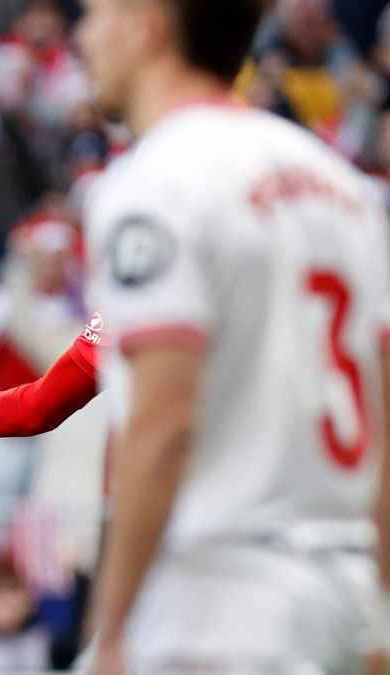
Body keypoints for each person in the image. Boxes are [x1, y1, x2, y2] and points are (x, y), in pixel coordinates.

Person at [79, 0, 390, 672]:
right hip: (343, 585)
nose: (84, 38)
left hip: (218, 599)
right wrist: (380, 612)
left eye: (95, 16)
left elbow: (164, 422)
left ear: (146, 25)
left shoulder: (154, 182)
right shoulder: (345, 187)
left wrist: (110, 629)